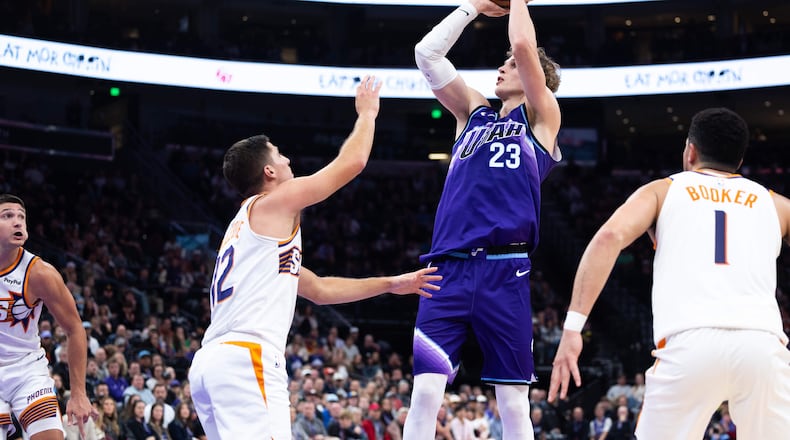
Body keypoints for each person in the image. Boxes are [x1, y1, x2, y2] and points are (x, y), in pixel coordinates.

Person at [187, 76, 441, 440]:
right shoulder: (273, 202)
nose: (289, 159)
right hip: (247, 357)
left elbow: (319, 289)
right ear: (269, 172)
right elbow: (352, 163)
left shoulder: (248, 232)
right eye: (280, 154)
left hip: (213, 363)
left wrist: (392, 283)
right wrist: (368, 114)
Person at [548, 107, 790, 438]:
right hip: (762, 343)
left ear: (690, 150)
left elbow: (608, 237)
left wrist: (574, 326)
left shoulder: (664, 190)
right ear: (740, 157)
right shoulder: (775, 203)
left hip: (690, 341)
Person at [403, 0, 562, 438]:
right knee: (424, 395)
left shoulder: (543, 119)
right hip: (446, 269)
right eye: (503, 64)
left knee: (513, 402)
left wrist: (519, 2)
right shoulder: (471, 112)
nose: (502, 68)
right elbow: (427, 54)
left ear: (537, 83)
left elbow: (525, 47)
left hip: (504, 270)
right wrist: (472, 7)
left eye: (510, 66)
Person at [0, 194, 96, 439]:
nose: (18, 222)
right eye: (7, 216)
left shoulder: (40, 273)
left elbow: (75, 328)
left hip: (26, 370)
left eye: (21, 216)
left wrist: (78, 394)